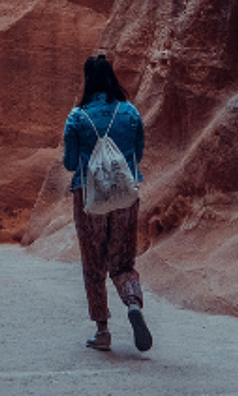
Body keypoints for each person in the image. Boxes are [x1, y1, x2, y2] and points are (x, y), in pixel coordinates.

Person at [62, 53, 151, 353]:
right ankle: (133, 304)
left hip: (89, 197)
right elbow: (137, 154)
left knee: (93, 264)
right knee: (123, 261)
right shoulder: (130, 112)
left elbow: (70, 162)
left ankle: (102, 330)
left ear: (88, 80)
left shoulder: (77, 117)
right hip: (125, 195)